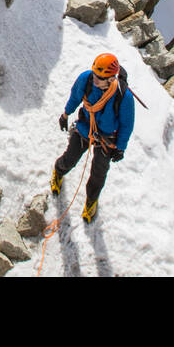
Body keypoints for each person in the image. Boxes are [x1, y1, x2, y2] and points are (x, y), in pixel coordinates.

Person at [51, 53, 134, 223]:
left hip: (107, 139)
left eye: (100, 77)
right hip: (85, 127)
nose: (95, 79)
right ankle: (58, 171)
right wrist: (65, 115)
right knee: (70, 158)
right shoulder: (86, 79)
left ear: (111, 79)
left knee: (99, 173)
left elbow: (127, 125)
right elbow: (75, 98)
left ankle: (91, 201)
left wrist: (121, 147)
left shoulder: (124, 97)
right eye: (95, 74)